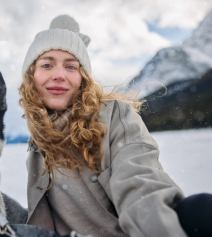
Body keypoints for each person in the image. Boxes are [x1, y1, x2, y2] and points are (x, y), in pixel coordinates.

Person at [14, 14, 212, 237]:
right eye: (47, 64)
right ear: (32, 76)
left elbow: (140, 185)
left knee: (201, 210)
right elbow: (41, 220)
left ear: (83, 79)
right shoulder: (38, 140)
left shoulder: (114, 115)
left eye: (71, 67)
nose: (59, 75)